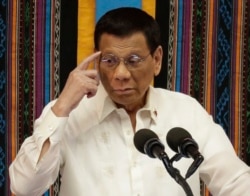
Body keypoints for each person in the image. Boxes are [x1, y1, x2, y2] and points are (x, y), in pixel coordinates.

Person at [9, 7, 250, 196]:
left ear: (156, 60)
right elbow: (24, 186)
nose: (121, 73)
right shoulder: (68, 114)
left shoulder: (186, 111)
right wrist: (61, 107)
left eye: (133, 59)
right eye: (110, 60)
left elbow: (235, 183)